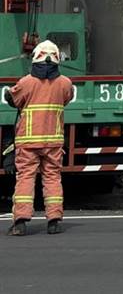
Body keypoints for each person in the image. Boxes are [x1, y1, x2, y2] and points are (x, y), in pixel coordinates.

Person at [6, 40, 74, 236]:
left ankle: (20, 222)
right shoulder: (65, 83)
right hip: (53, 141)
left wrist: (8, 95)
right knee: (52, 178)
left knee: (25, 178)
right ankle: (54, 221)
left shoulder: (27, 82)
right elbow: (67, 98)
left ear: (35, 57)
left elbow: (13, 99)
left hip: (28, 142)